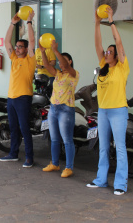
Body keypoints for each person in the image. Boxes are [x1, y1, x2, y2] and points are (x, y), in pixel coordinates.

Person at [87, 7, 129, 196]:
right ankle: (101, 180)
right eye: (107, 51)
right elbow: (97, 42)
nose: (107, 53)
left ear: (117, 55)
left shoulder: (122, 67)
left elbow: (119, 43)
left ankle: (121, 183)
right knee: (103, 147)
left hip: (118, 111)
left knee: (119, 147)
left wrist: (111, 21)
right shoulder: (103, 66)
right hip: (103, 111)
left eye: (110, 52)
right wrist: (97, 22)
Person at [0, 10, 36, 167]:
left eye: (21, 47)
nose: (17, 48)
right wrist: (13, 23)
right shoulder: (14, 58)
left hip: (23, 98)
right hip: (11, 98)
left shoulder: (30, 60)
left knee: (24, 128)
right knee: (13, 128)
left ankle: (29, 158)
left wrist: (28, 22)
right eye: (17, 46)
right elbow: (7, 42)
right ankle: (13, 153)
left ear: (26, 49)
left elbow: (33, 41)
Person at [40, 40, 79, 178]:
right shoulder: (58, 74)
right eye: (60, 62)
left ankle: (69, 167)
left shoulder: (73, 74)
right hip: (53, 109)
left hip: (66, 110)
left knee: (67, 139)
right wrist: (43, 52)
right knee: (54, 139)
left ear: (70, 62)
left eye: (64, 61)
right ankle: (55, 164)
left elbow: (67, 66)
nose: (61, 64)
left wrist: (56, 51)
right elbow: (45, 65)